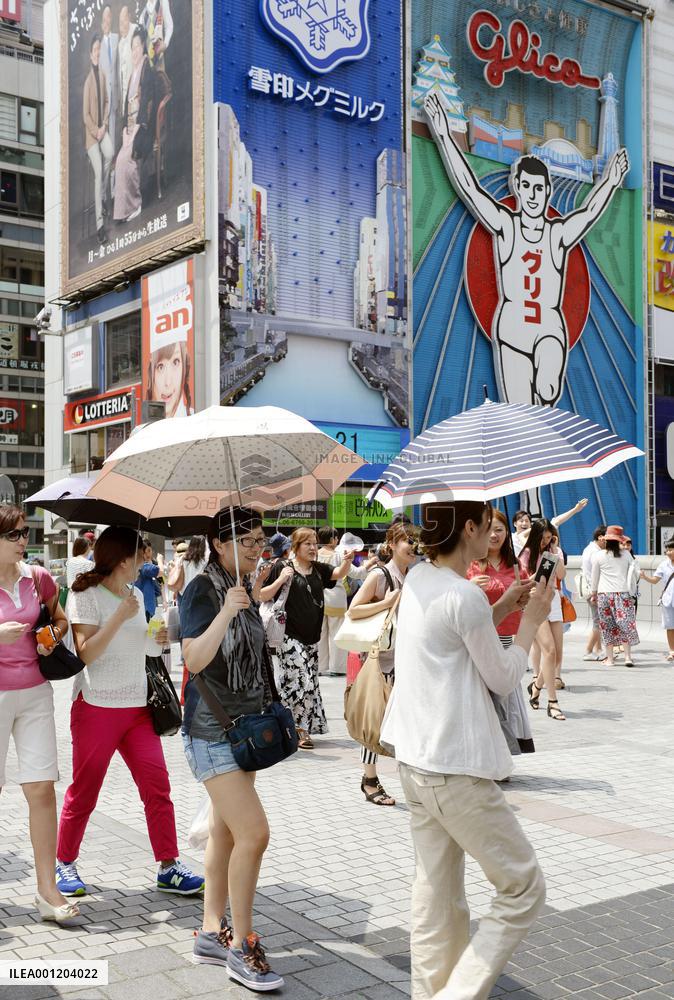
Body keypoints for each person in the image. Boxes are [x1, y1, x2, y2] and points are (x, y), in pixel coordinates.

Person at [381, 500, 550, 1000]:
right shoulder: (462, 593)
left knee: (437, 898)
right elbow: (500, 679)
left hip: (414, 759)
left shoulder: (418, 580)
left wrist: (505, 608)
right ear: (470, 528)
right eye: (489, 524)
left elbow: (452, 638)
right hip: (456, 766)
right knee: (522, 888)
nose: (495, 534)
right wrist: (529, 622)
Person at [57, 526, 204, 899]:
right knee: (84, 791)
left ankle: (168, 866)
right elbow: (86, 652)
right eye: (142, 552)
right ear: (123, 558)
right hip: (97, 707)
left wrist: (156, 641)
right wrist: (120, 617)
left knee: (158, 788)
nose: (146, 559)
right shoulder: (85, 594)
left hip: (138, 707)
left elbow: (146, 654)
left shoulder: (135, 593)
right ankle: (64, 863)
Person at [180, 508, 283, 992]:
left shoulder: (246, 584)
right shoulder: (203, 589)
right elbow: (194, 658)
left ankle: (208, 932)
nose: (257, 546)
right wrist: (226, 610)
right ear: (219, 544)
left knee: (225, 833)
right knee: (255, 833)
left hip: (245, 728)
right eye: (247, 540)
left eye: (261, 538)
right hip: (211, 730)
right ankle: (242, 945)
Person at [0, 506, 79, 924]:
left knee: (42, 788)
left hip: (35, 692)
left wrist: (51, 637)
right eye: (13, 534)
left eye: (23, 533)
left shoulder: (38, 578)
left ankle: (48, 890)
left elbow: (60, 619)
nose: (22, 541)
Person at [260, 528, 354, 749]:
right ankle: (300, 731)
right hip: (289, 637)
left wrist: (348, 561)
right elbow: (262, 595)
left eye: (314, 544)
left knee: (305, 682)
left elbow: (338, 574)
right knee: (302, 679)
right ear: (295, 547)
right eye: (307, 544)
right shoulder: (283, 567)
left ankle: (285, 724)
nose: (313, 548)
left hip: (311, 637)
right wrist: (280, 579)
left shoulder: (318, 568)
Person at [348, 522, 417, 805]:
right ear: (391, 544)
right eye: (407, 540)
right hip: (382, 663)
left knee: (406, 722)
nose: (413, 546)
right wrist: (386, 603)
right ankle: (369, 778)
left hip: (409, 659)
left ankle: (412, 779)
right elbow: (354, 610)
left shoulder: (415, 575)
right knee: (375, 720)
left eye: (415, 540)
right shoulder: (380, 575)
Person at [467, 509, 534, 757]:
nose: (494, 535)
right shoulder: (470, 564)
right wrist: (468, 586)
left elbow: (523, 600)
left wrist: (528, 594)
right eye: (490, 529)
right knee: (483, 700)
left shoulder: (516, 566)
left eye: (500, 529)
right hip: (478, 640)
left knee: (504, 699)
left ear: (508, 533)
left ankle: (501, 754)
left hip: (506, 638)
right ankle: (486, 755)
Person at [519, 519, 567, 720]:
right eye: (543, 537)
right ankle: (553, 702)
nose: (546, 541)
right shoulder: (526, 553)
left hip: (553, 600)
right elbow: (522, 580)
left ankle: (536, 687)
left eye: (549, 537)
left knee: (556, 655)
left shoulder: (553, 552)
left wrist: (555, 554)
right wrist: (537, 576)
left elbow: (562, 575)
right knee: (549, 649)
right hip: (535, 601)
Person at [316, 528, 376, 677]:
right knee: (336, 633)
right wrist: (370, 564)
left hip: (318, 599)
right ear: (332, 540)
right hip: (336, 599)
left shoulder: (314, 554)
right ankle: (337, 667)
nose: (337, 541)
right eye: (335, 538)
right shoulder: (339, 555)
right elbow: (357, 573)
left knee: (321, 634)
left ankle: (320, 667)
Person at [113, 26, 155, 223]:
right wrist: (124, 130)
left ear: (144, 48)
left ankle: (135, 203)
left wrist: (136, 130)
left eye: (138, 46)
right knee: (120, 159)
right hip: (130, 130)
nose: (135, 50)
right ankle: (123, 211)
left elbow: (147, 101)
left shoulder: (148, 70)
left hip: (144, 128)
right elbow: (124, 108)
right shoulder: (132, 76)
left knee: (125, 160)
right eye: (133, 47)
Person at [590, 525, 640, 667]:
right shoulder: (626, 554)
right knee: (625, 624)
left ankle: (610, 659)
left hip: (604, 595)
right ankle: (628, 657)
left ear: (606, 540)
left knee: (607, 626)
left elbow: (595, 578)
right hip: (623, 594)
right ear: (619, 540)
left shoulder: (598, 556)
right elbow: (635, 572)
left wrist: (593, 594)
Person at [83, 33, 114, 245]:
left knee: (111, 154)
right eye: (95, 50)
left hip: (102, 129)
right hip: (91, 138)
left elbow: (106, 102)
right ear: (90, 54)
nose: (97, 52)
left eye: (99, 49)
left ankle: (103, 195)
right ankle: (99, 226)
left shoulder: (102, 75)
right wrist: (97, 130)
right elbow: (85, 116)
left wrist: (104, 125)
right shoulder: (87, 82)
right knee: (98, 175)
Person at [641, 540, 674, 660]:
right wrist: (645, 577)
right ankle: (672, 651)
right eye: (667, 550)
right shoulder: (664, 565)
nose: (668, 552)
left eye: (671, 549)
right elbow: (655, 580)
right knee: (670, 626)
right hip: (668, 600)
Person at [147, 342, 193, 418]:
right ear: (150, 373)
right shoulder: (146, 427)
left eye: (175, 362)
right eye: (160, 367)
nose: (168, 382)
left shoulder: (197, 420)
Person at [581, 525, 607, 660]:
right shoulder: (595, 552)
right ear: (600, 537)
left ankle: (598, 650)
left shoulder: (590, 549)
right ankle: (588, 651)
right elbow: (594, 575)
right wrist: (595, 594)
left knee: (597, 621)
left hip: (592, 590)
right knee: (598, 622)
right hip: (594, 591)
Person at [99, 5, 119, 152]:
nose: (106, 20)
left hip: (117, 94)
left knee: (118, 131)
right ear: (102, 22)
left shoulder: (117, 39)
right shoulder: (98, 47)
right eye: (104, 18)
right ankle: (109, 172)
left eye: (108, 17)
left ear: (111, 18)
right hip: (105, 97)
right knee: (107, 132)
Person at [117, 6, 138, 137]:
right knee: (128, 127)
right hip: (125, 93)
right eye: (120, 22)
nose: (123, 24)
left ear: (129, 17)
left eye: (125, 19)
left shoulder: (136, 30)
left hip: (136, 88)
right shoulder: (120, 43)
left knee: (136, 124)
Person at [139, 0, 173, 71]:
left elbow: (169, 26)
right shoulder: (142, 15)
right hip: (149, 62)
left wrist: (165, 43)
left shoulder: (162, 2)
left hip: (163, 57)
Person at [136, 538, 163, 621]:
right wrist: (160, 561)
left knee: (154, 630)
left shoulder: (151, 564)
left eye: (150, 550)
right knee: (150, 631)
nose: (149, 553)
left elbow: (161, 582)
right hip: (146, 606)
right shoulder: (144, 566)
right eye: (147, 551)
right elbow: (159, 571)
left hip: (151, 603)